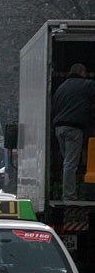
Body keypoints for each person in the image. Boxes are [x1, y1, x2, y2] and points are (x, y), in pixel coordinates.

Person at [52, 63, 95, 200]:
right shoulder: (86, 85)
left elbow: (54, 107)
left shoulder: (61, 88)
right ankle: (69, 195)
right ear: (82, 72)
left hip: (59, 129)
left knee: (67, 162)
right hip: (73, 129)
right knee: (70, 163)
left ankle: (68, 191)